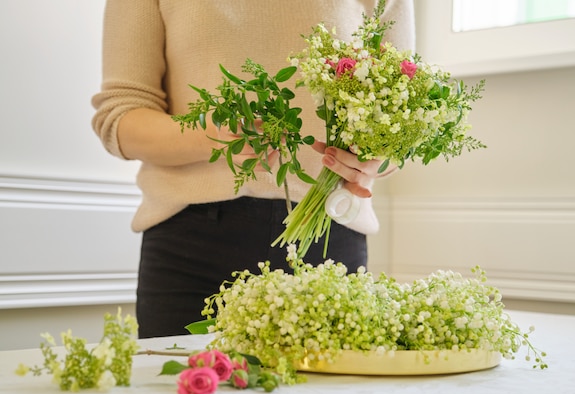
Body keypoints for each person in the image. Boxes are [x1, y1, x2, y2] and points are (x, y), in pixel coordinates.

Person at [91, 0, 416, 338]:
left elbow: (401, 115)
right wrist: (213, 137)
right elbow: (121, 118)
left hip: (327, 235)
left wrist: (371, 161)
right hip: (190, 250)